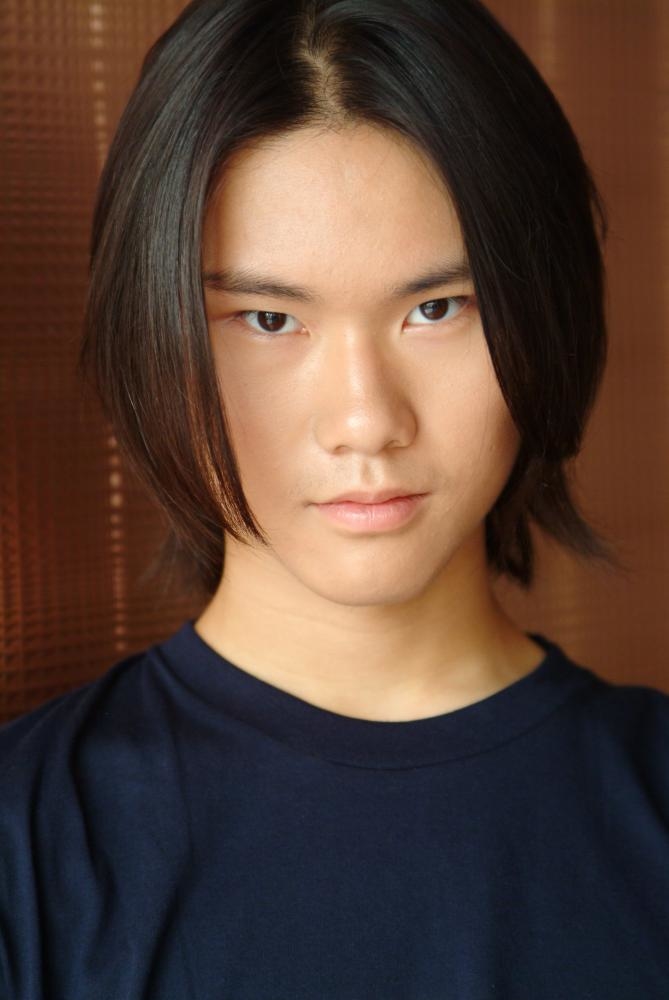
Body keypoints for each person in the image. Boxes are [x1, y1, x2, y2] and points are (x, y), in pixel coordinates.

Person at [1, 0, 667, 996]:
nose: (365, 420)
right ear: (152, 333)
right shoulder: (25, 842)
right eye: (268, 319)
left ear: (547, 313)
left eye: (437, 308)